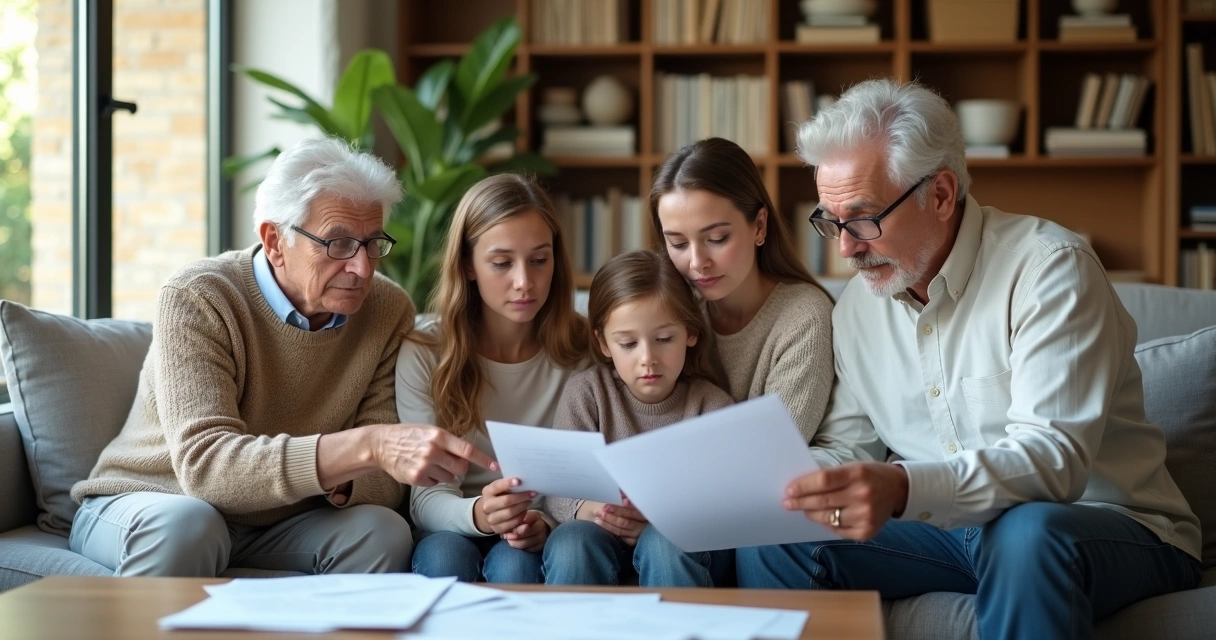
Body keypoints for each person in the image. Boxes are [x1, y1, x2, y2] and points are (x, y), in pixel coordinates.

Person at [734, 78, 1202, 639]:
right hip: (952, 535)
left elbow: (1054, 461)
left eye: (862, 218)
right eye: (831, 221)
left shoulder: (1050, 270)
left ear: (941, 194)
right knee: (778, 534)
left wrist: (905, 488)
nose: (845, 248)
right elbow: (849, 446)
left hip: (1106, 525)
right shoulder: (858, 307)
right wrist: (761, 486)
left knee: (1025, 533)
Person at [68, 137, 496, 577]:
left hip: (284, 523)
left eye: (372, 244)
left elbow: (384, 483)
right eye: (339, 243)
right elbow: (206, 467)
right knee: (192, 524)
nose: (363, 268)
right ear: (275, 240)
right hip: (155, 499)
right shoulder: (199, 296)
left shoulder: (387, 310)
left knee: (381, 530)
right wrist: (367, 446)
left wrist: (360, 465)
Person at [397, 173, 591, 584]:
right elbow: (427, 497)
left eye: (540, 260)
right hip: (453, 521)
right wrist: (480, 515)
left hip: (544, 524)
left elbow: (584, 479)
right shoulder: (426, 351)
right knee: (444, 555)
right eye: (502, 263)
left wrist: (542, 520)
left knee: (515, 562)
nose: (525, 282)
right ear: (467, 264)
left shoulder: (583, 347)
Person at [542, 250, 735, 587]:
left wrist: (661, 521)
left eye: (663, 340)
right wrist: (594, 511)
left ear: (690, 333)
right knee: (571, 542)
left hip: (681, 544)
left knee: (664, 543)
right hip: (600, 535)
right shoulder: (587, 394)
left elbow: (728, 502)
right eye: (628, 343)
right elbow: (558, 488)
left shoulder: (711, 406)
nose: (648, 359)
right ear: (603, 343)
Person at [650, 138, 834, 444]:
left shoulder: (805, 317)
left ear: (759, 226)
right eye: (678, 244)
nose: (697, 263)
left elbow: (772, 451)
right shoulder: (669, 314)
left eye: (717, 238)